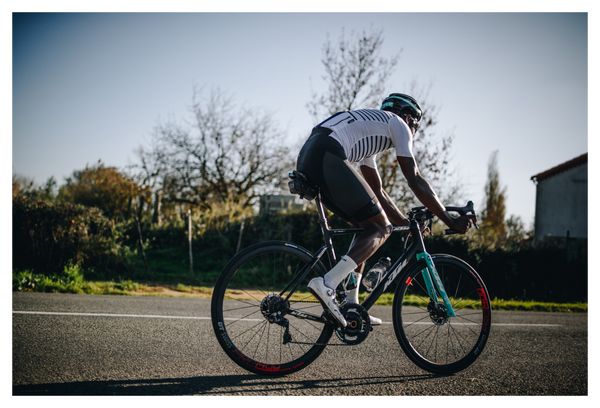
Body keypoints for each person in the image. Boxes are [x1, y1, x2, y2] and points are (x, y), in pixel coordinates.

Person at [296, 93, 473, 327]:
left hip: (311, 153)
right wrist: (450, 220)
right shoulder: (399, 124)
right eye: (416, 125)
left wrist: (404, 223)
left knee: (367, 225)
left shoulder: (371, 131)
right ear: (409, 117)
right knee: (381, 227)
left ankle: (351, 304)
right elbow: (415, 179)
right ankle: (327, 283)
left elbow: (378, 191)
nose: (414, 131)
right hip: (328, 152)